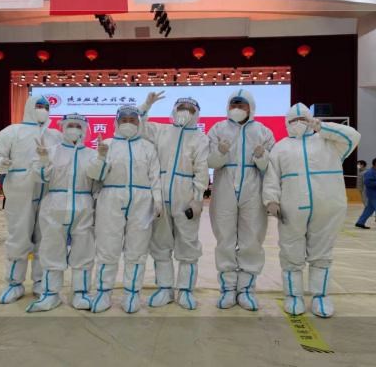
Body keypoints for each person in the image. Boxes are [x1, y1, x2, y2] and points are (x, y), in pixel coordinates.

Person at [263, 103, 360, 318]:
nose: (298, 124)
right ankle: (293, 296)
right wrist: (271, 200)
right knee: (291, 253)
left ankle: (321, 296)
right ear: (286, 123)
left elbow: (353, 136)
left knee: (322, 254)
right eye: (293, 120)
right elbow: (271, 177)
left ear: (311, 120)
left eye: (303, 120)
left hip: (327, 207)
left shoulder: (328, 142)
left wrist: (322, 127)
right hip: (291, 209)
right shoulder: (280, 147)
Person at [0, 95, 62, 304]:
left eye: (46, 107)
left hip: (49, 192)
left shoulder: (55, 136)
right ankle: (14, 283)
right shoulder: (13, 132)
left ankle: (41, 282)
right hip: (21, 190)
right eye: (38, 106)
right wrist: (1, 163)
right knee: (18, 237)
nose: (42, 109)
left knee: (46, 239)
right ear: (29, 107)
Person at [86, 105, 162, 314]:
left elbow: (155, 176)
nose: (128, 123)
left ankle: (132, 293)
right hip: (111, 197)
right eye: (124, 120)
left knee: (137, 250)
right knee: (107, 248)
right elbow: (95, 175)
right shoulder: (107, 144)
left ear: (139, 122)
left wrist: (157, 199)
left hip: (142, 200)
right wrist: (101, 157)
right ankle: (103, 292)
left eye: (132, 120)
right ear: (117, 122)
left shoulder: (147, 147)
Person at [137, 92, 209, 310]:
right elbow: (138, 127)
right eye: (181, 107)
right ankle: (165, 289)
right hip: (160, 195)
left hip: (185, 197)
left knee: (188, 244)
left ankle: (185, 290)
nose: (185, 112)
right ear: (174, 111)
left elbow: (201, 170)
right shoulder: (161, 131)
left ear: (196, 114)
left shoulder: (200, 138)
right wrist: (146, 106)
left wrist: (197, 199)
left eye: (190, 109)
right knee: (160, 244)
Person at [208, 90, 275, 311]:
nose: (237, 108)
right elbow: (211, 162)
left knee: (252, 238)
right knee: (224, 238)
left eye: (241, 104)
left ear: (250, 107)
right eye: (233, 104)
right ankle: (228, 289)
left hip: (253, 188)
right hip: (224, 187)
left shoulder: (263, 131)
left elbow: (270, 168)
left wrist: (261, 157)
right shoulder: (218, 129)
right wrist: (220, 153)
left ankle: (246, 289)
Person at [26, 114, 97, 312]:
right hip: (54, 205)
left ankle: (81, 293)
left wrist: (101, 159)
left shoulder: (91, 154)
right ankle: (50, 294)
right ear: (63, 128)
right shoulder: (51, 151)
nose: (74, 129)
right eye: (70, 125)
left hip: (83, 205)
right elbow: (39, 177)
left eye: (78, 126)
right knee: (52, 249)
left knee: (83, 250)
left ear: (84, 130)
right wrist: (43, 160)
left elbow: (98, 179)